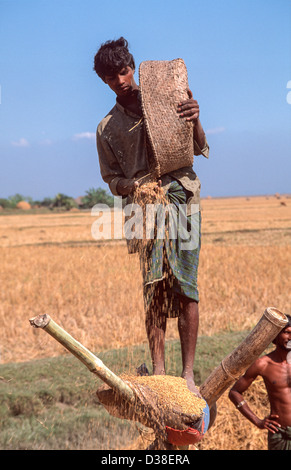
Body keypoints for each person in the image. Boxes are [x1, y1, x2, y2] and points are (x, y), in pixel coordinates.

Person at [93, 37, 209, 396]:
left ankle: (187, 374)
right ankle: (159, 371)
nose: (121, 81)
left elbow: (198, 147)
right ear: (104, 82)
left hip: (182, 199)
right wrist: (134, 186)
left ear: (133, 65)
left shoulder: (169, 100)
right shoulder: (106, 128)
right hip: (141, 211)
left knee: (186, 287)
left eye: (124, 71)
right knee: (153, 290)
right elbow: (111, 180)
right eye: (112, 78)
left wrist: (196, 116)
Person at [228, 315, 291, 450]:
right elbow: (234, 392)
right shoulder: (263, 364)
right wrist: (257, 421)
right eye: (287, 333)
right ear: (275, 335)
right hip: (279, 434)